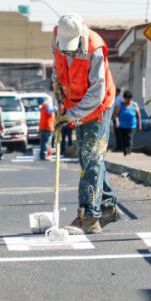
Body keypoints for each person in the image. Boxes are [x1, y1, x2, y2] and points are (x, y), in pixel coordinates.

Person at [52, 13, 118, 234]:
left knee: (91, 160)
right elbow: (57, 63)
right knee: (90, 159)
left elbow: (96, 94)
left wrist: (70, 116)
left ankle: (89, 217)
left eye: (71, 47)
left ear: (81, 35)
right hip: (75, 104)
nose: (67, 51)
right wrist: (56, 83)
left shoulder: (95, 49)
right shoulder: (58, 38)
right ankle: (107, 206)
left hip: (97, 108)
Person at [112, 90, 142, 156]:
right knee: (123, 138)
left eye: (129, 98)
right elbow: (116, 115)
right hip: (122, 125)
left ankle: (129, 151)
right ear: (124, 98)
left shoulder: (134, 105)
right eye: (127, 98)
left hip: (132, 125)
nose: (128, 100)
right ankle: (125, 151)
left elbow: (139, 115)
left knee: (129, 137)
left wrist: (139, 124)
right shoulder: (120, 105)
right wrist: (117, 122)